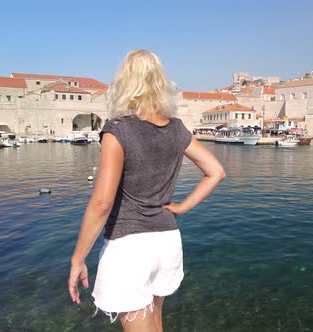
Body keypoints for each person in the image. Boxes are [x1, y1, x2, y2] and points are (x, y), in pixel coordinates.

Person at [68, 49, 226, 331]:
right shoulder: (177, 129)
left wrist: (78, 259)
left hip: (130, 247)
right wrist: (182, 207)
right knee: (155, 323)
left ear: (125, 82)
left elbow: (102, 204)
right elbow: (215, 171)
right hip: (167, 241)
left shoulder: (118, 130)